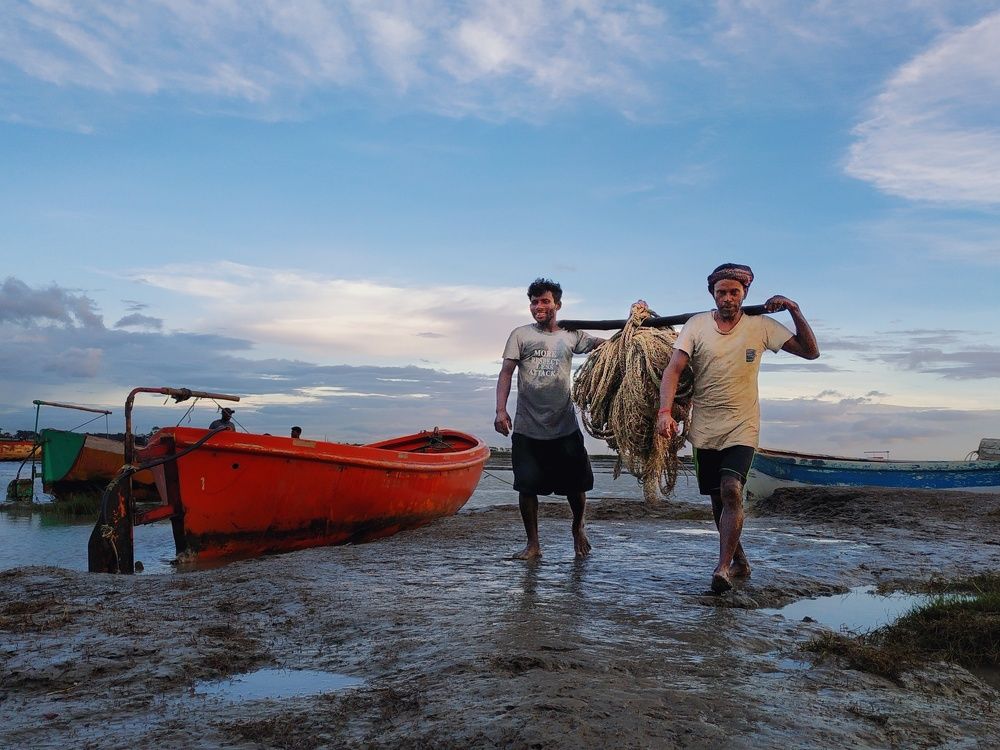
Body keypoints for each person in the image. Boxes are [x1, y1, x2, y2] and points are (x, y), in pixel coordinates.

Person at [656, 263, 819, 594]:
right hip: (705, 428)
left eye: (734, 292)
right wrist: (664, 411)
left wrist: (794, 310)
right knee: (718, 500)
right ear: (712, 294)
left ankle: (722, 569)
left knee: (731, 489)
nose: (728, 298)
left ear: (744, 293)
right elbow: (674, 369)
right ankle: (739, 559)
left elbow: (811, 352)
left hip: (742, 425)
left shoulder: (760, 326)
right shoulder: (697, 325)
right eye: (721, 292)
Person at [495, 277, 605, 559]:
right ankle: (533, 544)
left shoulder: (571, 335)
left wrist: (632, 327)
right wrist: (500, 410)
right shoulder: (521, 335)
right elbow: (506, 372)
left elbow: (604, 345)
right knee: (526, 487)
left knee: (576, 485)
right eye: (534, 302)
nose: (538, 306)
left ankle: (578, 526)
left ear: (558, 304)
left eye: (545, 301)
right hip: (527, 426)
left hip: (564, 425)